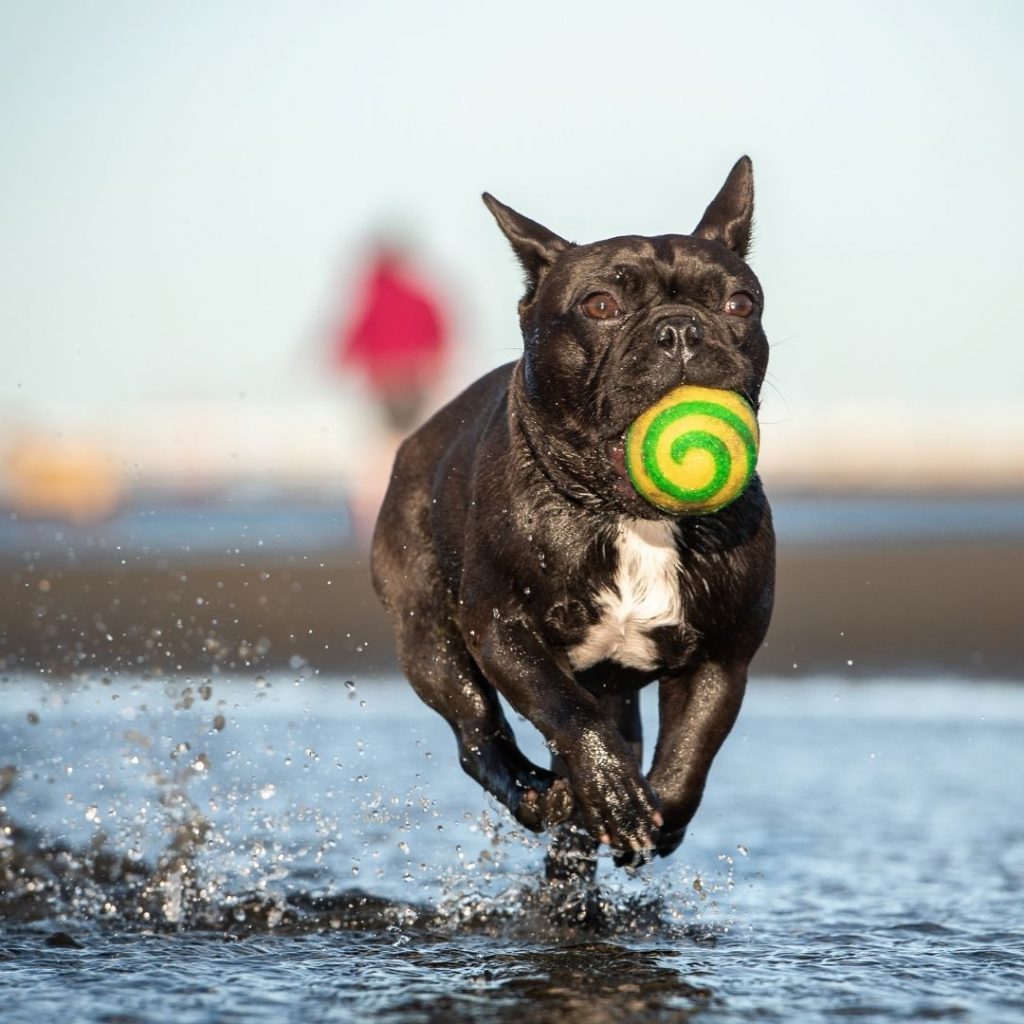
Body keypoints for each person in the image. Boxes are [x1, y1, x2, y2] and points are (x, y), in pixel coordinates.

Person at [334, 241, 449, 434]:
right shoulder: (416, 294)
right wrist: (436, 360)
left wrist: (345, 357)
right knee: (413, 429)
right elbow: (434, 328)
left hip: (385, 376)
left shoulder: (373, 295)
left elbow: (360, 330)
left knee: (391, 431)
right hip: (411, 374)